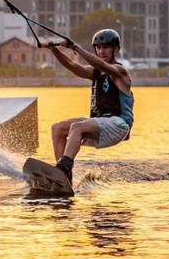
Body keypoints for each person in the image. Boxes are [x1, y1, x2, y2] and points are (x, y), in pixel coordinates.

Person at [40, 28, 134, 184]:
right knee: (57, 128)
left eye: (106, 47)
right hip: (101, 124)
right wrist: (54, 49)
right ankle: (64, 177)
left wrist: (75, 47)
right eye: (98, 48)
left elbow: (103, 66)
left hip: (119, 124)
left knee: (77, 127)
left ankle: (63, 167)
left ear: (115, 49)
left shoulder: (120, 71)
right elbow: (71, 65)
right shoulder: (95, 72)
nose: (101, 51)